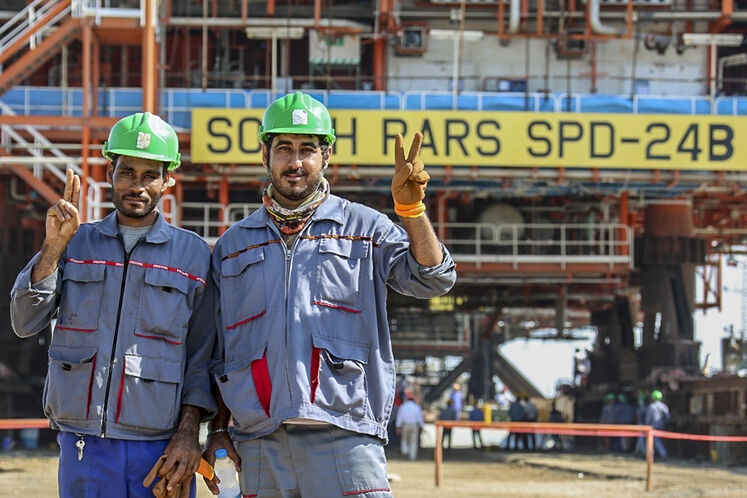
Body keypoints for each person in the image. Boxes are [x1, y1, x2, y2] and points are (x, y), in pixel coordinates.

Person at [204, 92, 457, 497]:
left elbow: (433, 279)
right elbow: (219, 350)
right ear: (265, 155)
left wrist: (413, 214)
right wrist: (218, 429)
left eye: (307, 149)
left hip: (346, 437)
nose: (295, 162)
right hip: (259, 442)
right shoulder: (233, 247)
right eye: (283, 148)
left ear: (326, 155)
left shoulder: (364, 228)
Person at [9, 112, 216, 497]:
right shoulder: (74, 243)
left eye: (150, 175)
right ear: (109, 172)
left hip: (160, 448)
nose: (137, 186)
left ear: (167, 180)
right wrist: (52, 246)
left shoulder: (193, 256)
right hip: (83, 444)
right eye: (127, 172)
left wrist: (189, 434)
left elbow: (203, 356)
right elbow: (24, 321)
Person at [395, 392, 424, 461]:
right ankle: (412, 457)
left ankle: (405, 452)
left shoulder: (403, 406)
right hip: (414, 425)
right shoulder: (417, 407)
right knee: (413, 442)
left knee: (404, 440)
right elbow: (420, 418)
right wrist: (421, 426)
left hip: (405, 425)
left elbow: (400, 417)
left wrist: (398, 426)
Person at [645, 389, 670, 459]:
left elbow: (648, 418)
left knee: (655, 441)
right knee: (658, 441)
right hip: (662, 426)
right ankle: (656, 455)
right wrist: (664, 423)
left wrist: (647, 426)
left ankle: (663, 454)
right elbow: (668, 416)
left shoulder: (651, 406)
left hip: (653, 427)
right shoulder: (663, 406)